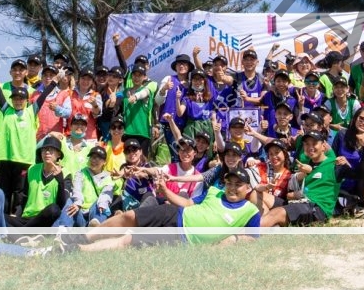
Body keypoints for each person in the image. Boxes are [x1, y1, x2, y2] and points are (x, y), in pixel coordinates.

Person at [77, 167, 261, 251]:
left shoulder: (250, 211)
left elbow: (253, 238)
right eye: (229, 183)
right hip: (175, 212)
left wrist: (235, 238)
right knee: (129, 216)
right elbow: (188, 203)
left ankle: (79, 250)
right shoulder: (214, 191)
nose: (232, 187)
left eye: (238, 184)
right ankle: (82, 237)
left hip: (181, 236)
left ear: (248, 188)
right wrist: (165, 191)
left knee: (129, 238)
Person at [261, 131, 338, 226]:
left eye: (314, 143)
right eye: (306, 144)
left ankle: (246, 235)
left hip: (317, 209)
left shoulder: (334, 164)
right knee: (257, 194)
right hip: (299, 202)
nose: (310, 147)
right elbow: (303, 190)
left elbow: (357, 174)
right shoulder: (305, 163)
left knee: (277, 213)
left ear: (323, 146)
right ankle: (268, 227)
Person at [0, 73, 37, 215]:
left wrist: (54, 82)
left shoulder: (31, 112)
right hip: (6, 158)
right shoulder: (7, 110)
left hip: (23, 160)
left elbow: (44, 96)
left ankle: (16, 217)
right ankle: (2, 218)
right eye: (15, 99)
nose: (18, 101)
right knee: (5, 190)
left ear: (26, 100)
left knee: (19, 191)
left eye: (21, 99)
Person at [7, 135, 77, 230]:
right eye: (44, 150)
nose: (47, 152)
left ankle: (19, 231)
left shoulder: (66, 173)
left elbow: (62, 203)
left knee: (54, 209)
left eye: (51, 150)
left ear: (58, 154)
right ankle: (24, 231)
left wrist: (60, 179)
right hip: (27, 217)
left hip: (47, 218)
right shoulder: (32, 169)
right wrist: (17, 215)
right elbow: (24, 196)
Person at [334, 106, 364, 216]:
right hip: (344, 179)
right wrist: (339, 160)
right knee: (338, 167)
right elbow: (332, 156)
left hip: (361, 184)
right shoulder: (342, 135)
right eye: (361, 119)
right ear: (355, 118)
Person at [73, 147, 115, 225]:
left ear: (104, 162)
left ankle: (95, 224)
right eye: (92, 157)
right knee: (70, 201)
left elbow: (106, 194)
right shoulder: (81, 172)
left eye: (98, 158)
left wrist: (102, 204)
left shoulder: (107, 177)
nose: (94, 160)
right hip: (80, 210)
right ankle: (62, 228)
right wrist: (78, 203)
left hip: (96, 211)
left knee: (101, 203)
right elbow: (77, 189)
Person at [120, 63, 159, 148]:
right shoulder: (124, 92)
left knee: (142, 160)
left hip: (143, 133)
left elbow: (144, 93)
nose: (136, 78)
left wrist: (135, 97)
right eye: (134, 75)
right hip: (127, 133)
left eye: (139, 75)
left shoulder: (147, 91)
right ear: (131, 76)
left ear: (145, 77)